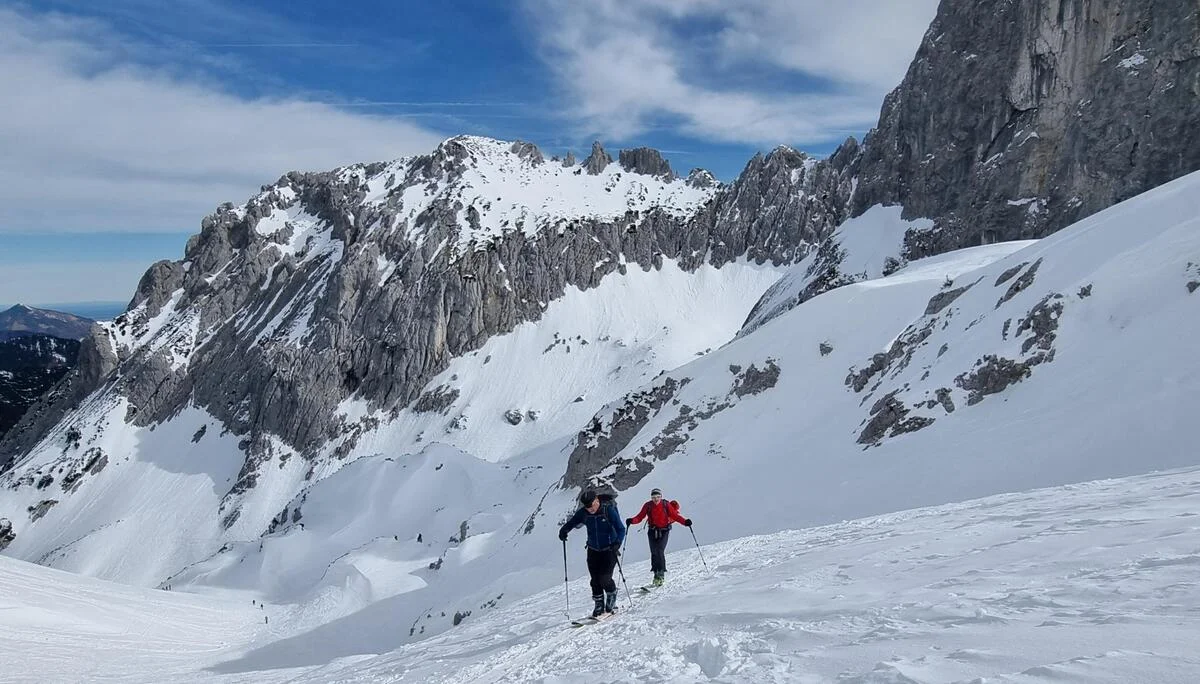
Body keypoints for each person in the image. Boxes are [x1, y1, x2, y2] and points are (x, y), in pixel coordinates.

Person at [559, 490, 626, 617]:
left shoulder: (608, 510)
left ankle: (611, 595)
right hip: (593, 549)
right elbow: (573, 522)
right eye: (587, 507)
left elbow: (621, 529)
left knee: (605, 578)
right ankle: (599, 604)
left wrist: (617, 543)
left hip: (609, 550)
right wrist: (564, 530)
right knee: (595, 580)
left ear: (596, 501)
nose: (590, 509)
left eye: (591, 506)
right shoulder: (584, 513)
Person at [626, 487, 691, 587]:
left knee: (659, 550)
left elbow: (675, 516)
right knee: (654, 552)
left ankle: (660, 575)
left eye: (657, 497)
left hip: (664, 530)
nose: (655, 499)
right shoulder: (648, 505)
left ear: (661, 497)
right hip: (652, 531)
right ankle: (656, 575)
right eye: (653, 497)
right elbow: (640, 517)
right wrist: (632, 521)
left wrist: (685, 522)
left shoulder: (666, 504)